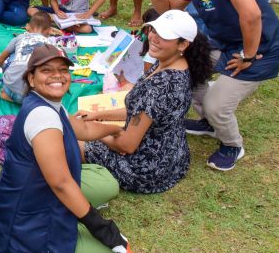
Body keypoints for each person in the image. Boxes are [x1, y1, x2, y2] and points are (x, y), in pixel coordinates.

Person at [138, 0, 279, 171]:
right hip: (227, 44)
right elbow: (171, 9)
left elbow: (252, 15)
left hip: (260, 49)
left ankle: (232, 144)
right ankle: (208, 123)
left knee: (216, 105)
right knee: (188, 69)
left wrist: (247, 56)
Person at [0, 44, 134, 253]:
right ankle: (65, 220)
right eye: (46, 70)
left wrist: (115, 130)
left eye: (62, 69)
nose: (57, 75)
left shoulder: (51, 105)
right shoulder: (43, 118)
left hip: (40, 188)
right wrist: (101, 228)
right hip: (29, 211)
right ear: (31, 79)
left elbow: (84, 130)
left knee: (107, 183)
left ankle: (73, 207)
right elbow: (60, 184)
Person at [81, 10, 213, 193]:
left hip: (143, 170)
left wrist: (94, 132)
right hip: (172, 159)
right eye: (154, 30)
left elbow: (127, 145)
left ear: (183, 44)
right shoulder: (177, 65)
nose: (154, 38)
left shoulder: (158, 87)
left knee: (74, 141)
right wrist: (98, 115)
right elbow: (140, 111)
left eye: (164, 36)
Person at [0, 11, 53, 103]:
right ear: (50, 30)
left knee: (16, 53)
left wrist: (6, 69)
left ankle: (8, 95)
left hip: (12, 92)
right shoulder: (51, 45)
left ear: (28, 26)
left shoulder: (19, 38)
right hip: (37, 97)